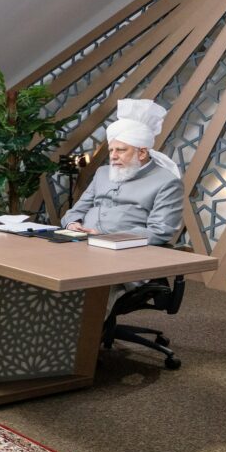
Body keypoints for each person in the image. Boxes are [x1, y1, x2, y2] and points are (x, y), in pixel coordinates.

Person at [61, 99, 184, 308]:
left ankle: (88, 329)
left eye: (120, 150)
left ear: (142, 152)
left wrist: (108, 238)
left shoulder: (167, 182)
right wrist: (72, 224)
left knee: (88, 288)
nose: (113, 157)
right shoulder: (103, 173)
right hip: (81, 245)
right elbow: (75, 211)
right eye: (111, 151)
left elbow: (160, 231)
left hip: (126, 256)